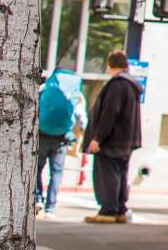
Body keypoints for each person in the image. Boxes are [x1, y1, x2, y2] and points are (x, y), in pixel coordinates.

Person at [82, 53, 142, 224]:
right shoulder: (132, 86)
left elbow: (110, 113)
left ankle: (108, 210)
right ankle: (120, 208)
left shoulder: (117, 85)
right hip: (126, 140)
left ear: (110, 65)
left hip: (111, 140)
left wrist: (98, 138)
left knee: (107, 174)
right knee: (121, 174)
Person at [35, 70, 82, 216]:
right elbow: (81, 117)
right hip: (62, 139)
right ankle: (51, 207)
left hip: (42, 136)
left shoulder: (44, 88)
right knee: (56, 173)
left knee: (37, 169)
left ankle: (37, 199)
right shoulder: (76, 93)